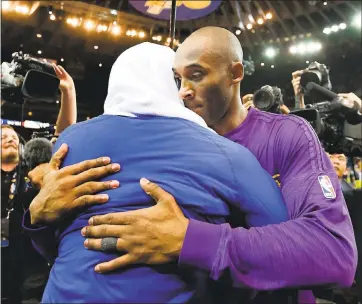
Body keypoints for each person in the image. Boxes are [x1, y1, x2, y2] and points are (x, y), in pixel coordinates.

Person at [25, 27, 357, 304]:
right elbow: (75, 246)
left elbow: (333, 251)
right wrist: (40, 216)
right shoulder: (156, 145)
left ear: (235, 74)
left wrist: (190, 240)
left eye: (195, 76)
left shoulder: (284, 134)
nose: (183, 92)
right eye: (175, 80)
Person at [1, 125, 49, 304]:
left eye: (13, 137)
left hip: (29, 255)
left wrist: (68, 95)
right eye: (2, 137)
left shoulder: (34, 173)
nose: (10, 139)